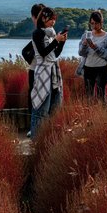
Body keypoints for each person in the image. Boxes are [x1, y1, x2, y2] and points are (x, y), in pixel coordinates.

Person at [30, 7, 67, 136]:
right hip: (43, 72)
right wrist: (56, 40)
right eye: (51, 19)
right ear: (44, 18)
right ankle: (35, 140)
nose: (53, 22)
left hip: (53, 72)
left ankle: (47, 139)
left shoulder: (51, 33)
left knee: (53, 109)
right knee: (40, 110)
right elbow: (43, 53)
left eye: (54, 20)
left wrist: (61, 42)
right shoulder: (38, 33)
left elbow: (54, 54)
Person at [79, 11, 107, 101]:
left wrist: (95, 47)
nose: (94, 26)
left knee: (101, 96)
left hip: (102, 69)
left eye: (96, 23)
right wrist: (84, 45)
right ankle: (90, 114)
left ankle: (101, 114)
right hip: (88, 68)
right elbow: (81, 53)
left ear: (101, 23)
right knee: (88, 96)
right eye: (92, 23)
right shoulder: (86, 35)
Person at [26, 3, 45, 138]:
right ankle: (34, 128)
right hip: (35, 69)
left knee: (40, 99)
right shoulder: (37, 33)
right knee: (33, 98)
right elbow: (25, 51)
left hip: (40, 69)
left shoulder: (43, 32)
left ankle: (37, 128)